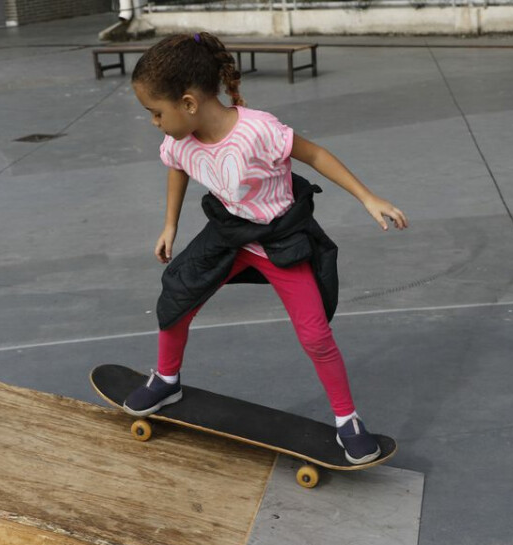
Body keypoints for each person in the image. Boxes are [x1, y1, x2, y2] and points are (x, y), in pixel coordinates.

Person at [123, 32, 408, 465]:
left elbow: (315, 156)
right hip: (229, 233)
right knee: (177, 297)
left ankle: (348, 420)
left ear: (188, 103)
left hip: (279, 238)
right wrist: (169, 225)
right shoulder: (180, 139)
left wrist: (368, 197)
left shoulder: (259, 131)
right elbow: (177, 168)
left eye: (156, 112)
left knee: (315, 334)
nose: (154, 122)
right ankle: (166, 379)